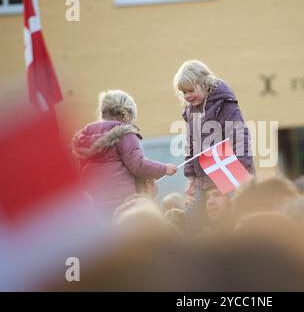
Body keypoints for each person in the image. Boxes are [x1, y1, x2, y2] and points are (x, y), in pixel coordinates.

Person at [173, 60, 254, 234]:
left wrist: (242, 167)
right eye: (183, 92)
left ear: (204, 83)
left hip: (228, 171)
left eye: (191, 90)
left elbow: (239, 136)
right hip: (204, 176)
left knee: (239, 213)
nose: (187, 96)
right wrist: (191, 177)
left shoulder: (224, 104)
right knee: (192, 216)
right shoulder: (190, 112)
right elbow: (191, 147)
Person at [72, 89, 177, 217]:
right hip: (120, 202)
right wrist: (164, 168)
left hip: (91, 203)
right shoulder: (125, 134)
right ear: (128, 114)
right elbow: (137, 164)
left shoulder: (86, 137)